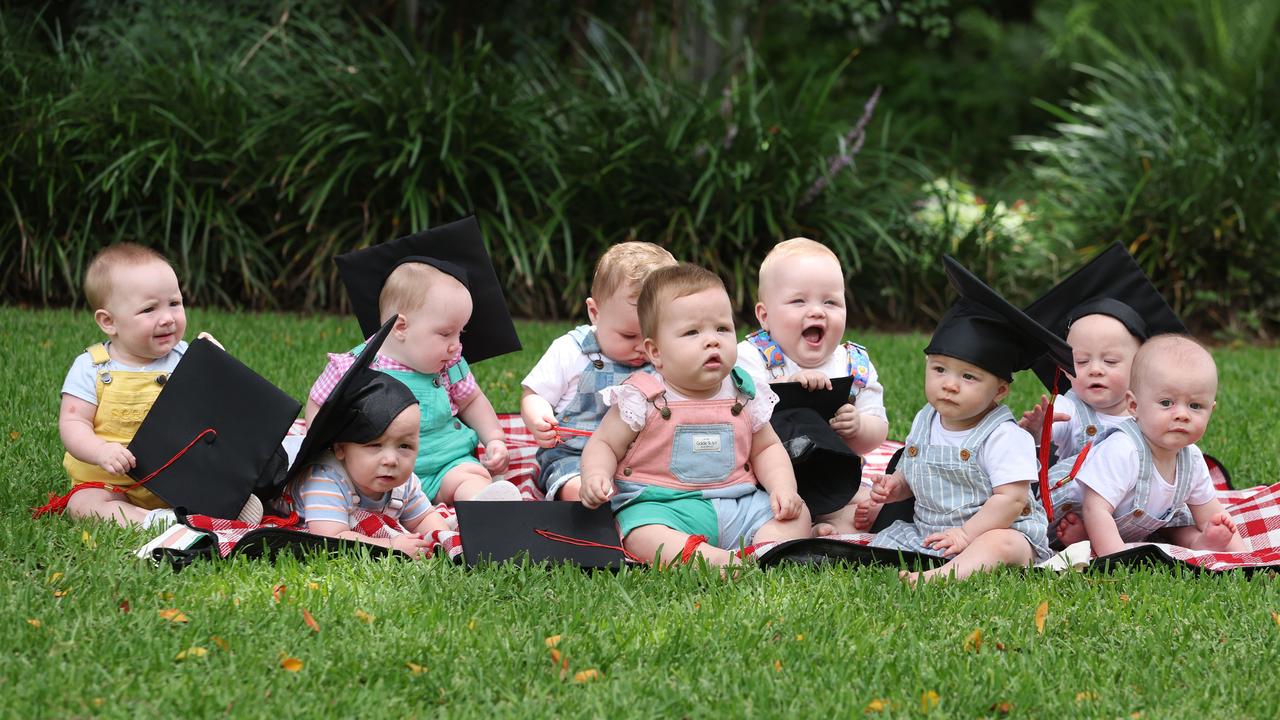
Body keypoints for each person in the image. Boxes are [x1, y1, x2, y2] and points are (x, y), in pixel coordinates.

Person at [578, 263, 812, 566]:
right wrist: (596, 474)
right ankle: (716, 560)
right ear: (656, 352)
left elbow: (766, 447)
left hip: (739, 503)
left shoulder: (744, 392)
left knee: (799, 514)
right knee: (641, 533)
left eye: (723, 328)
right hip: (663, 506)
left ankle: (760, 549)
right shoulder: (642, 396)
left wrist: (783, 490)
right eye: (692, 332)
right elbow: (604, 444)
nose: (712, 340)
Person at [868, 256, 1073, 583]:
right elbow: (916, 469)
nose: (949, 384)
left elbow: (1012, 500)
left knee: (1000, 544)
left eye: (968, 376)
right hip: (933, 531)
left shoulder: (1003, 437)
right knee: (883, 537)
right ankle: (944, 560)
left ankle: (941, 577)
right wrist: (898, 486)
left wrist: (966, 534)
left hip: (998, 529)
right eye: (939, 369)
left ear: (1000, 391)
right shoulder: (926, 419)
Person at [308, 219, 525, 504]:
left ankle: (482, 505)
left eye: (461, 332)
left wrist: (494, 438)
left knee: (470, 476)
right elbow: (319, 402)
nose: (456, 345)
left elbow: (471, 400)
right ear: (400, 327)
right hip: (379, 474)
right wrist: (320, 451)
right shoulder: (355, 366)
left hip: (444, 463)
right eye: (446, 333)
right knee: (343, 487)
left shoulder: (449, 364)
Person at [56, 243, 240, 528]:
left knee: (227, 484)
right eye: (149, 309)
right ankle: (152, 522)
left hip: (177, 479)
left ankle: (226, 507)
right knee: (83, 505)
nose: (167, 318)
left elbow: (219, 407)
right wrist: (100, 451)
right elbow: (73, 422)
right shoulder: (92, 367)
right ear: (109, 321)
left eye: (174, 303)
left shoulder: (186, 358)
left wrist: (216, 364)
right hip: (110, 484)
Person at [1020, 242, 1188, 545]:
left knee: (1177, 506)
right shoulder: (1071, 407)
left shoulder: (1153, 407)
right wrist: (1036, 432)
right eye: (1081, 361)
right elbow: (1051, 435)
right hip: (1089, 507)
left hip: (1147, 505)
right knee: (1082, 501)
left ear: (1140, 367)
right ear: (1067, 368)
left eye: (1110, 361)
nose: (1095, 370)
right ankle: (1088, 535)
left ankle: (1195, 538)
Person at [736, 238, 888, 534]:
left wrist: (857, 427)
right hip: (768, 482)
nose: (817, 311)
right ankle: (811, 523)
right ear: (764, 316)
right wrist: (784, 386)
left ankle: (827, 523)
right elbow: (736, 418)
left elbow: (878, 430)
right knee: (756, 506)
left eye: (830, 302)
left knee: (874, 506)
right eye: (799, 301)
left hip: (834, 484)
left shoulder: (853, 363)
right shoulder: (752, 357)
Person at [520, 242, 677, 500]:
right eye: (629, 335)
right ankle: (588, 507)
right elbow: (534, 394)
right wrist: (539, 417)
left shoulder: (665, 358)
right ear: (595, 312)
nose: (642, 347)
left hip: (641, 461)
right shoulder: (572, 351)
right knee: (577, 489)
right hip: (574, 457)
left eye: (654, 336)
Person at [1075, 335, 1244, 557]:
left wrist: (1244, 556)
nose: (1182, 415)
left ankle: (1201, 543)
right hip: (1078, 513)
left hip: (1140, 526)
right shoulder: (1123, 449)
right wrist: (1117, 558)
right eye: (1166, 403)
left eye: (1195, 406)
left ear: (1211, 410)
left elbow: (1210, 513)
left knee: (1179, 519)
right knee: (1082, 525)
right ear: (1134, 405)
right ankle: (1081, 537)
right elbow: (1094, 508)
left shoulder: (1191, 459)